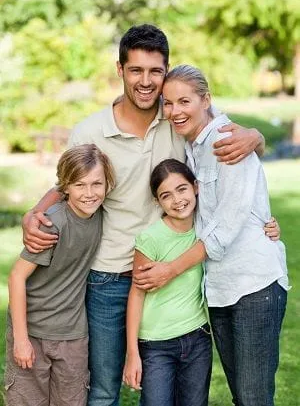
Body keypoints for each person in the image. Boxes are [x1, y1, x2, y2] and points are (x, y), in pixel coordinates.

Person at [21, 25, 277, 406]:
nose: (146, 81)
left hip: (172, 275)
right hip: (108, 278)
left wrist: (256, 135)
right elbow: (67, 185)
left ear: (166, 71)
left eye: (155, 71)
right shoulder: (91, 131)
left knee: (169, 386)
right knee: (105, 389)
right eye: (136, 70)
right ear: (120, 69)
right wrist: (34, 213)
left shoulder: (176, 118)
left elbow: (222, 131)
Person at [136, 64, 288, 406]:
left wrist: (169, 269)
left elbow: (225, 229)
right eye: (169, 103)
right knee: (242, 397)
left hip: (254, 286)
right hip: (219, 290)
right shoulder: (194, 143)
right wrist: (258, 136)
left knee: (253, 398)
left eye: (184, 101)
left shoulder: (225, 141)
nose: (175, 111)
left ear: (206, 100)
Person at [5, 144, 115, 406]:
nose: (89, 193)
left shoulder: (100, 214)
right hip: (33, 332)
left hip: (73, 335)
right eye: (80, 185)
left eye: (96, 184)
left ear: (107, 184)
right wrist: (21, 340)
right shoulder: (52, 225)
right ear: (65, 188)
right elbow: (16, 277)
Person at [123, 159, 212, 406]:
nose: (177, 200)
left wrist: (268, 226)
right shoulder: (151, 239)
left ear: (195, 187)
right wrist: (132, 353)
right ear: (157, 202)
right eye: (166, 195)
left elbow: (237, 227)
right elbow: (136, 294)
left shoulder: (205, 228)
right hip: (156, 345)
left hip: (197, 337)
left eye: (182, 189)